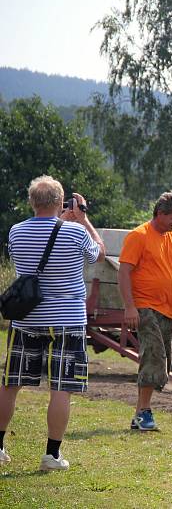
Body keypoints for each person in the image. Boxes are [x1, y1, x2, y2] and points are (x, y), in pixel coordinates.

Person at [0, 175, 105, 471]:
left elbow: (35, 249)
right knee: (61, 388)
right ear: (61, 202)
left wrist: (61, 218)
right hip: (66, 320)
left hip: (27, 318)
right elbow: (99, 253)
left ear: (32, 201)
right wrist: (83, 220)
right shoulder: (75, 232)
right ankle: (52, 454)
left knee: (10, 385)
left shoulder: (17, 231)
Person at [118, 191, 172, 431]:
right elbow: (123, 272)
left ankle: (139, 415)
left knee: (157, 361)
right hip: (144, 307)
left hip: (168, 309)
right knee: (155, 357)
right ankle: (145, 413)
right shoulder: (139, 236)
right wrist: (129, 307)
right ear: (160, 213)